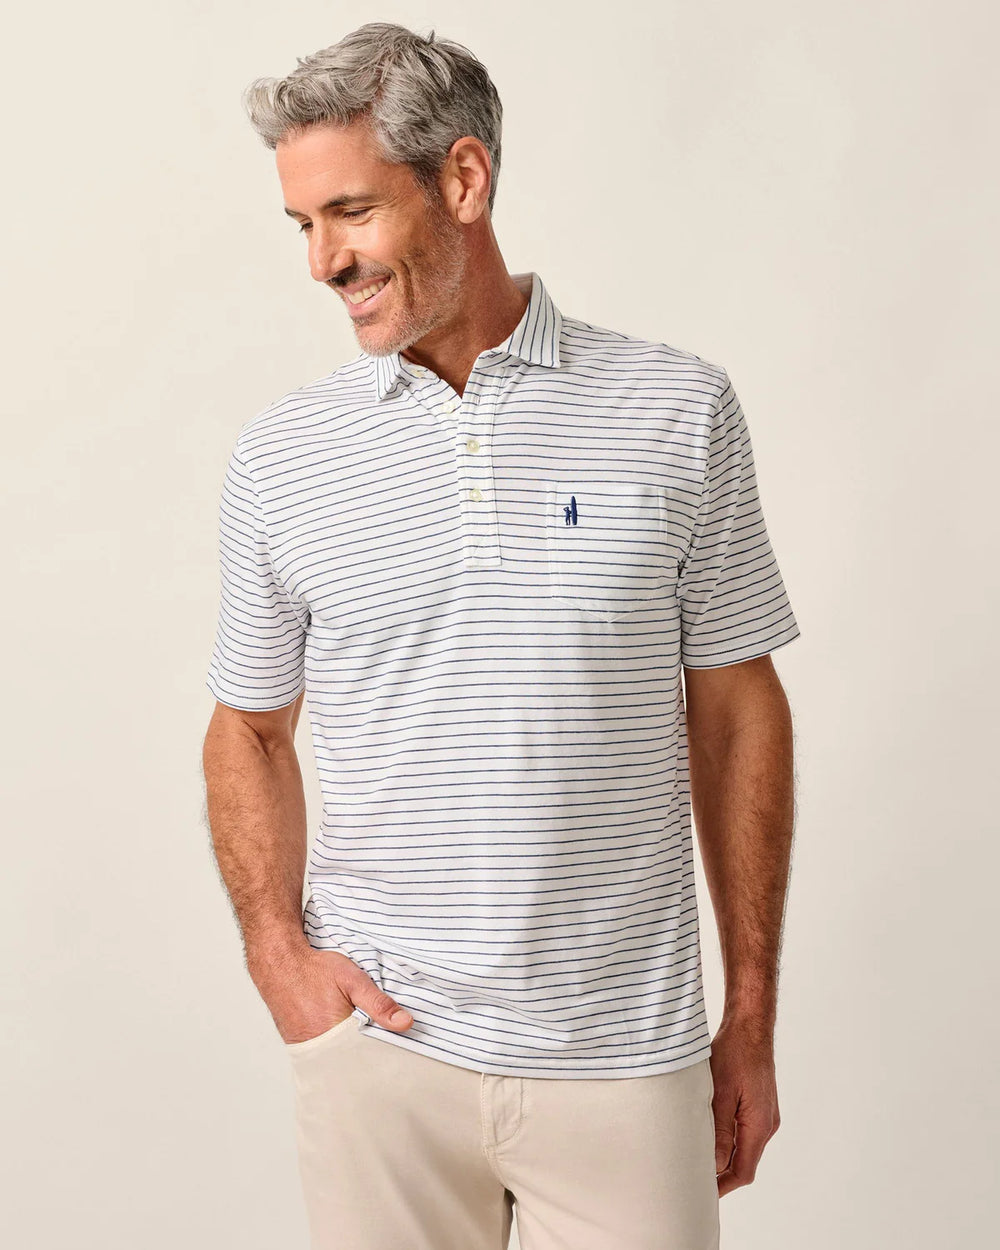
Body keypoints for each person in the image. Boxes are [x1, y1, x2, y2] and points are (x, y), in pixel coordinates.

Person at [201, 21, 801, 1250]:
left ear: (463, 180)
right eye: (302, 223)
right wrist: (279, 956)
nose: (321, 260)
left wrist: (749, 1015)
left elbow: (738, 709)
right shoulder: (281, 457)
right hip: (380, 1054)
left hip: (623, 1055)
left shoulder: (676, 409)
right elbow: (246, 728)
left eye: (350, 212)